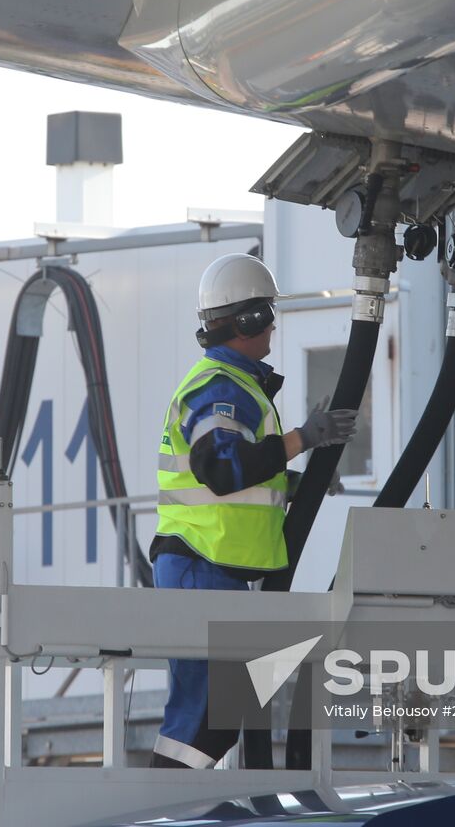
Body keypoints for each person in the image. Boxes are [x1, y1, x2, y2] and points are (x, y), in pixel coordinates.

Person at [150, 252, 357, 769]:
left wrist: (296, 481)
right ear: (249, 321)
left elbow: (240, 474)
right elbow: (222, 470)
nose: (272, 323)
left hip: (212, 571)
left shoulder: (235, 384)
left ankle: (173, 806)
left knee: (219, 718)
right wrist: (302, 439)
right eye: (267, 311)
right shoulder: (220, 387)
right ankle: (164, 808)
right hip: (201, 567)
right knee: (204, 719)